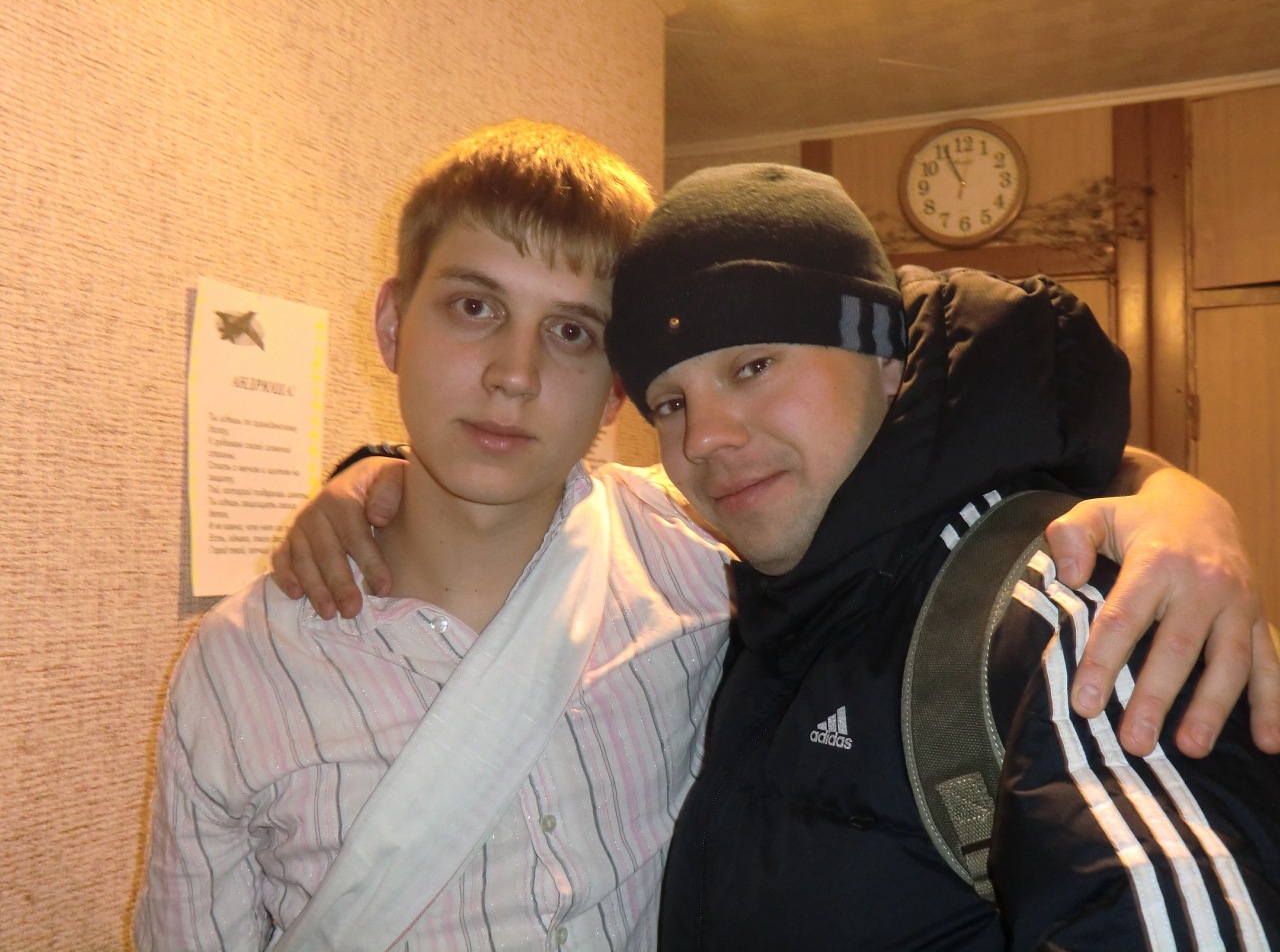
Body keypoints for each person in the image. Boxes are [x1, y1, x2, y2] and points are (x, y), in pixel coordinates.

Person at [599, 163, 1279, 949]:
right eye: (671, 404)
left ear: (887, 362)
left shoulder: (1057, 619)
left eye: (753, 367)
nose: (703, 438)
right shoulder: (756, 612)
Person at [134, 121, 735, 952]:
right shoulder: (241, 668)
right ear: (391, 325)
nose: (514, 374)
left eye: (572, 332)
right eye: (474, 307)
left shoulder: (698, 569)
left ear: (616, 387)